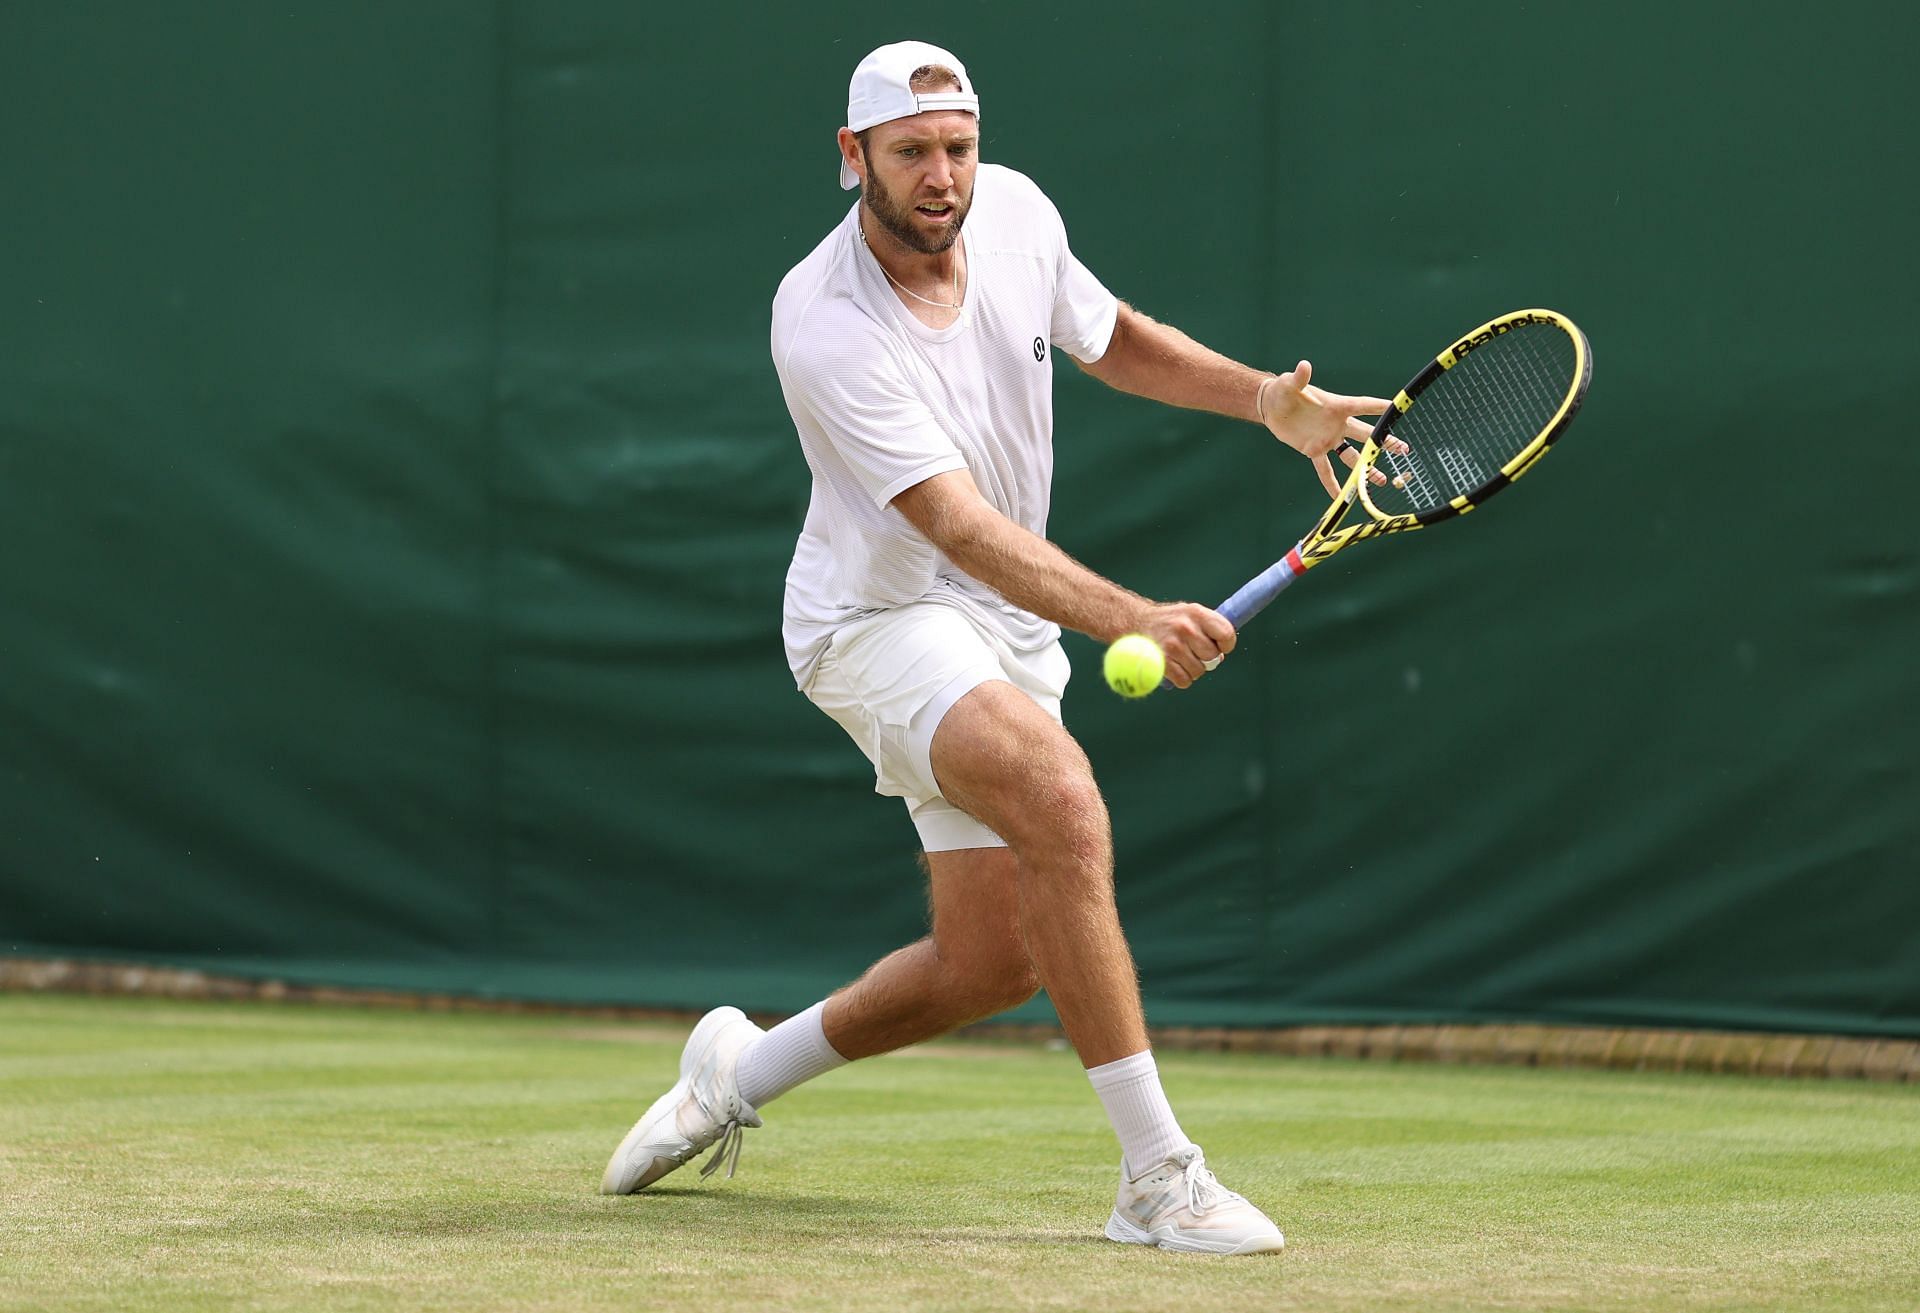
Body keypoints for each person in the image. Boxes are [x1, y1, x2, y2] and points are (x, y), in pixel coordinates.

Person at [602, 40, 1391, 1256]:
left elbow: (1112, 334)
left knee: (988, 965)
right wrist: (1127, 614)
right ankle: (1158, 1178)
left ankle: (736, 1068)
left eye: (958, 147)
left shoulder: (1018, 212)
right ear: (852, 155)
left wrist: (1262, 402)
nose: (942, 174)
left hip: (1005, 625)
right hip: (874, 621)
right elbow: (957, 526)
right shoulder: (821, 324)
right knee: (1062, 801)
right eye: (912, 150)